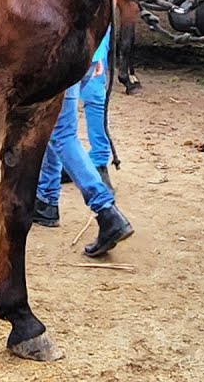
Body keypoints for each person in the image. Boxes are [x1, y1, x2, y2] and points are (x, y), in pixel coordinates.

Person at [33, 27, 134, 257]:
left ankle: (106, 211)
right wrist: (97, 55)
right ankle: (46, 201)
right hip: (82, 55)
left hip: (63, 56)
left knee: (63, 134)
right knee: (51, 125)